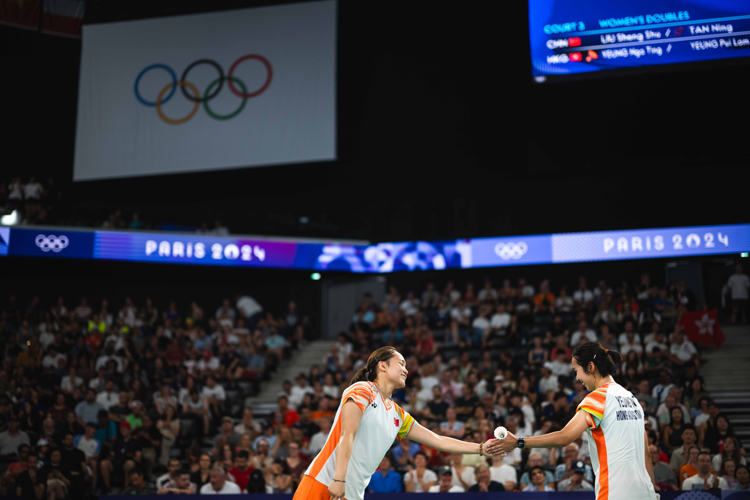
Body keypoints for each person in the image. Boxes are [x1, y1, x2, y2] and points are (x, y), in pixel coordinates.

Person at [293, 346, 503, 500]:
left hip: (352, 493)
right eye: (401, 363)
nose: (406, 370)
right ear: (382, 366)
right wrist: (339, 479)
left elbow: (437, 440)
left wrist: (481, 448)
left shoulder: (398, 415)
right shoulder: (363, 390)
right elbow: (346, 435)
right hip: (325, 482)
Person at [496, 342, 657, 500]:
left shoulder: (598, 398)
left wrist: (518, 442)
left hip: (615, 492)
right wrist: (653, 491)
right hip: (646, 492)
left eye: (577, 371)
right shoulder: (631, 398)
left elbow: (564, 437)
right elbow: (646, 454)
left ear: (591, 367)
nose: (577, 378)